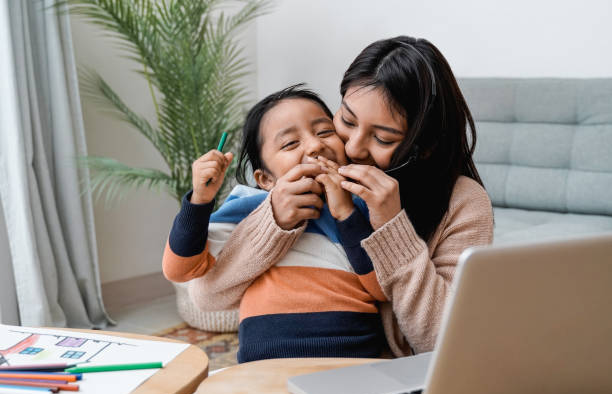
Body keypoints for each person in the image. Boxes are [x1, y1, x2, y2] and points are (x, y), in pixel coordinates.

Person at [201, 36, 494, 356]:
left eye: (382, 138)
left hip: (384, 377)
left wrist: (392, 229)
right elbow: (207, 297)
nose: (352, 148)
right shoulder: (300, 183)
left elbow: (445, 346)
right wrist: (273, 221)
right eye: (346, 121)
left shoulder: (463, 202)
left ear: (423, 148)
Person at [163, 85, 388, 363]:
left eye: (325, 132)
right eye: (291, 143)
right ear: (266, 180)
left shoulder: (364, 206)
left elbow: (383, 288)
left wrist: (345, 212)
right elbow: (179, 269)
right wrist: (199, 200)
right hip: (265, 364)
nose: (315, 145)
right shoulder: (248, 208)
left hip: (354, 358)